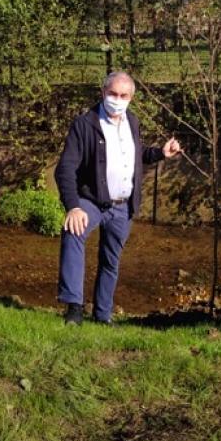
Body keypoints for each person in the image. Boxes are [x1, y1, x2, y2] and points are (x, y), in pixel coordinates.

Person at [56, 71, 180, 325]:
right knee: (73, 233)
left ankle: (102, 315)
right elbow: (65, 169)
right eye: (112, 94)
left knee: (110, 260)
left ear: (131, 98)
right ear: (103, 93)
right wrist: (73, 206)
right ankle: (74, 308)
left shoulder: (132, 122)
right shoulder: (85, 124)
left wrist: (159, 153)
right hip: (91, 201)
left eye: (123, 95)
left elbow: (135, 155)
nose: (117, 99)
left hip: (123, 206)